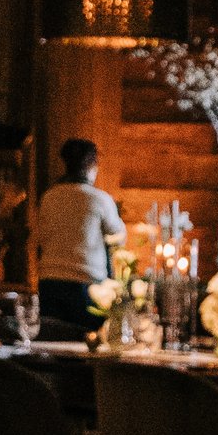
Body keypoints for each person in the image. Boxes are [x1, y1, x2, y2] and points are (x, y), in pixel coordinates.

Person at [35, 136, 124, 341]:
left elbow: (41, 237)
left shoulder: (49, 196)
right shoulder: (99, 199)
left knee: (53, 343)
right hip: (87, 286)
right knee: (87, 344)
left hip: (50, 283)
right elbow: (118, 237)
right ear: (92, 165)